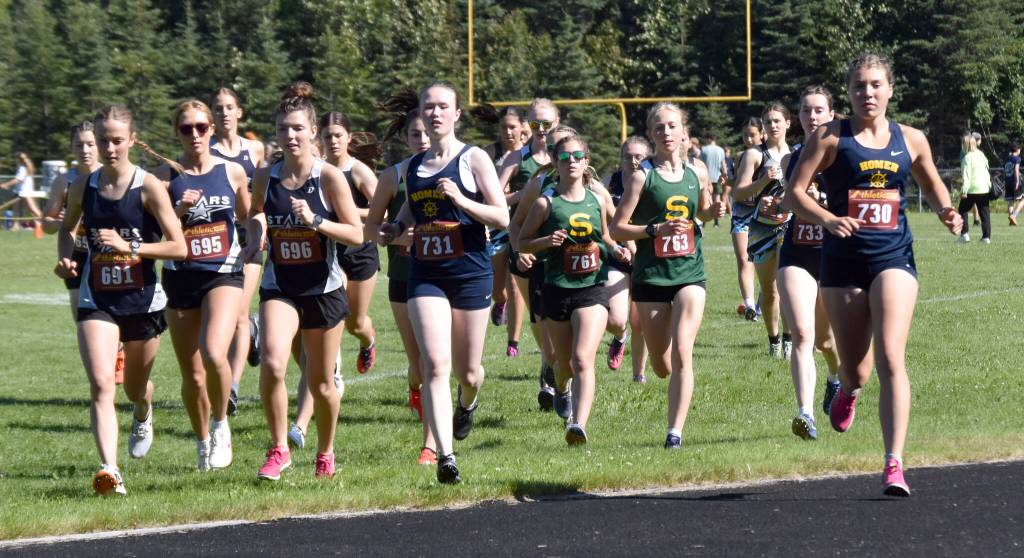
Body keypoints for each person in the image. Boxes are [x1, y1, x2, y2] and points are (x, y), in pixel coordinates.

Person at [786, 53, 962, 496]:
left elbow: (930, 181)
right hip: (842, 263)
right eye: (859, 85)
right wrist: (828, 219)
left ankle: (894, 463)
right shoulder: (830, 138)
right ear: (848, 92)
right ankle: (848, 387)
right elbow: (793, 194)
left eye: (876, 84)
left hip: (893, 258)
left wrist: (945, 209)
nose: (868, 93)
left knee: (890, 358)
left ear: (890, 89)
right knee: (858, 370)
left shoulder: (911, 138)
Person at [54, 105, 187, 495]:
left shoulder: (148, 187)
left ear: (131, 140)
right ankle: (110, 470)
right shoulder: (83, 187)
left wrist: (129, 245)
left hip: (142, 301)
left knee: (134, 387)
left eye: (117, 140)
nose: (110, 148)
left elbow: (178, 247)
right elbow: (66, 228)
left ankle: (143, 411)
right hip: (97, 298)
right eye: (103, 140)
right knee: (100, 384)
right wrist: (65, 256)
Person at [382, 82, 508, 483]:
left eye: (442, 107)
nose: (435, 114)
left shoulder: (473, 159)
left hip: (470, 273)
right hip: (427, 274)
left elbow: (501, 217)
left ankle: (467, 404)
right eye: (428, 107)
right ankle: (445, 457)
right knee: (434, 363)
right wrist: (394, 228)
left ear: (456, 114)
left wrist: (462, 200)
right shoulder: (415, 167)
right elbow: (407, 213)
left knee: (468, 372)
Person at [245, 83, 364, 481]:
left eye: (297, 128)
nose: (290, 136)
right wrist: (256, 231)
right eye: (282, 129)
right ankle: (279, 448)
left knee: (322, 383)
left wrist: (316, 221)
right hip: (281, 285)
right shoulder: (265, 177)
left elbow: (356, 234)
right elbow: (256, 213)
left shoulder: (328, 177)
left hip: (324, 289)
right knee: (273, 363)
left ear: (313, 132)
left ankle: (325, 451)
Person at [609, 103, 725, 449]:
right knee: (662, 364)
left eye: (672, 126)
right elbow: (617, 228)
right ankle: (669, 371)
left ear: (683, 131)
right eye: (659, 128)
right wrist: (655, 229)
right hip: (651, 277)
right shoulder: (642, 177)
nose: (666, 133)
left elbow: (702, 209)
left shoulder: (698, 172)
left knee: (683, 352)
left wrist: (713, 210)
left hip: (691, 272)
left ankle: (674, 432)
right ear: (652, 134)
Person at [156, 100, 250, 471]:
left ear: (212, 129)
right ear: (176, 132)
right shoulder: (163, 178)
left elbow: (248, 214)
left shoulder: (232, 173)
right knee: (192, 373)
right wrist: (178, 211)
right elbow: (154, 235)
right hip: (181, 276)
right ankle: (201, 441)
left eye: (200, 127)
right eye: (185, 128)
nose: (194, 134)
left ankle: (222, 424)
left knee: (213, 352)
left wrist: (256, 240)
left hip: (223, 272)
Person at [518, 132, 629, 445]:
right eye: (564, 157)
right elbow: (521, 241)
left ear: (586, 161)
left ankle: (578, 425)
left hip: (592, 288)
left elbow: (605, 236)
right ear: (555, 161)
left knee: (582, 359)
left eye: (577, 156)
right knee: (562, 363)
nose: (571, 162)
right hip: (556, 288)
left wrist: (618, 249)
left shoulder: (596, 198)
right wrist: (544, 242)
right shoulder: (546, 202)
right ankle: (562, 388)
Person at [366, 89, 438, 464]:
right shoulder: (394, 176)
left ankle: (430, 443)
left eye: (427, 132)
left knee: (434, 361)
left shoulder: (450, 168)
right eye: (415, 134)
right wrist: (395, 234)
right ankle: (416, 391)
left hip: (443, 275)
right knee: (418, 363)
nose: (422, 139)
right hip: (404, 277)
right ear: (406, 138)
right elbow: (372, 230)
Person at [776, 86, 843, 441]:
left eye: (819, 110)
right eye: (805, 111)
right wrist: (790, 204)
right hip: (797, 254)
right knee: (802, 334)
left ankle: (834, 377)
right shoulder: (791, 159)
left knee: (827, 342)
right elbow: (786, 204)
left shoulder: (845, 156)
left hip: (832, 255)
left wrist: (824, 201)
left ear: (831, 114)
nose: (812, 116)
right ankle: (804, 413)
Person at [498, 99, 561, 406]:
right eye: (535, 124)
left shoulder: (567, 155)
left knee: (557, 316)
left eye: (546, 124)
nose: (540, 130)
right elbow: (495, 197)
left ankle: (557, 374)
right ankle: (548, 364)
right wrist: (520, 195)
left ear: (557, 123)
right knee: (537, 318)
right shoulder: (516, 158)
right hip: (525, 248)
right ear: (527, 126)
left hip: (560, 250)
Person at [210, 87, 266, 416]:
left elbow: (259, 200)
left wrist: (259, 231)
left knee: (240, 315)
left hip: (249, 238)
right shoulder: (208, 150)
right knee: (229, 319)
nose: (224, 113)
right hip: (218, 240)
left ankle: (231, 389)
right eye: (218, 108)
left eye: (229, 107)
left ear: (239, 112)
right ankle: (254, 332)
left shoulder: (254, 149)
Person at [733, 106, 793, 358]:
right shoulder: (754, 155)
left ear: (788, 123)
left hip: (790, 224)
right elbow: (738, 193)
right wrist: (763, 182)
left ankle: (790, 340)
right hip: (761, 227)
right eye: (768, 121)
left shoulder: (797, 154)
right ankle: (774, 340)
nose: (772, 126)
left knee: (789, 285)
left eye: (777, 121)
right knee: (770, 290)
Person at [602, 137, 651, 382]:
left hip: (647, 255)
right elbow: (600, 217)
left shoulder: (653, 180)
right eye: (628, 156)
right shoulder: (609, 182)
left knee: (639, 320)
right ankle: (620, 336)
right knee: (616, 319)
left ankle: (638, 374)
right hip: (618, 255)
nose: (633, 161)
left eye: (639, 156)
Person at [480, 106, 528, 328]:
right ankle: (501, 301)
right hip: (497, 225)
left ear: (522, 128)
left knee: (515, 278)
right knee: (497, 287)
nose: (508, 132)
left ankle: (516, 336)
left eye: (512, 127)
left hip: (525, 223)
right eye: (504, 127)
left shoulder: (529, 154)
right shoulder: (490, 153)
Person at [730, 118, 763, 320]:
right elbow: (739, 184)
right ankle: (749, 305)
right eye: (745, 135)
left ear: (762, 134)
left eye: (752, 134)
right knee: (744, 258)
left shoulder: (768, 156)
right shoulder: (740, 156)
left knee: (765, 263)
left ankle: (760, 305)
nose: (749, 139)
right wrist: (730, 181)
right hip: (741, 212)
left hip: (763, 215)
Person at [956, 134, 991, 243]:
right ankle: (986, 237)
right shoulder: (981, 154)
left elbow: (966, 176)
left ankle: (964, 234)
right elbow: (987, 167)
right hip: (984, 187)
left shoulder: (966, 158)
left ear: (965, 145)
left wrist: (964, 191)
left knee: (962, 209)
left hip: (972, 188)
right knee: (984, 213)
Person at [1, 152, 43, 225]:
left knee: (32, 209)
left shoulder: (22, 168)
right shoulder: (25, 167)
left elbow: (18, 179)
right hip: (22, 191)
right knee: (17, 209)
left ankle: (47, 222)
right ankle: (16, 225)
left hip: (24, 192)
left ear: (18, 160)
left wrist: (6, 184)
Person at [700, 133, 728, 228]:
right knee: (717, 200)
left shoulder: (704, 149)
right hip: (717, 178)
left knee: (706, 199)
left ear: (708, 139)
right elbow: (724, 166)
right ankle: (716, 223)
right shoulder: (721, 150)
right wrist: (724, 176)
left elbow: (700, 164)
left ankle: (703, 223)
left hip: (706, 178)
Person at [1006, 143, 1022, 225]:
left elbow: (1007, 170)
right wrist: (1017, 181)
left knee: (1010, 201)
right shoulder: (1017, 159)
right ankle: (1014, 215)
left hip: (1007, 182)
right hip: (1014, 182)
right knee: (1023, 199)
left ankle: (1011, 222)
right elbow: (1015, 170)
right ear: (1017, 150)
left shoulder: (1007, 158)